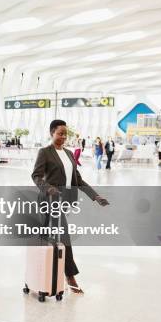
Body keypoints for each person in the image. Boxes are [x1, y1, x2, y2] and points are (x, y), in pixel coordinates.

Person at [32, 120, 109, 293]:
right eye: (60, 133)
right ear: (52, 133)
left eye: (65, 134)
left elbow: (78, 180)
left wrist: (95, 196)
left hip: (63, 200)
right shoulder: (44, 152)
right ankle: (69, 275)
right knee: (60, 235)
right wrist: (48, 188)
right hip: (48, 199)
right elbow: (36, 176)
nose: (64, 136)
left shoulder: (68, 154)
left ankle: (56, 271)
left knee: (50, 236)